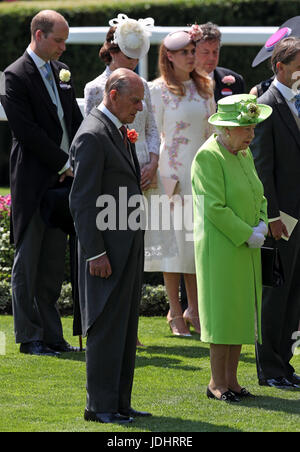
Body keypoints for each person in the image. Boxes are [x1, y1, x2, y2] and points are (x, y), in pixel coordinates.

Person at [69, 68, 151, 424]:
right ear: (113, 94)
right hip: (105, 251)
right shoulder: (92, 134)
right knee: (104, 327)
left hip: (126, 244)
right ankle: (99, 406)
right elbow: (82, 201)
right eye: (134, 101)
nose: (139, 109)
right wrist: (94, 252)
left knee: (125, 326)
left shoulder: (114, 131)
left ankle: (119, 402)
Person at [0, 10, 83, 356]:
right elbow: (27, 132)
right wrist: (64, 162)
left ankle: (51, 333)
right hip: (35, 179)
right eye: (58, 40)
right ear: (38, 35)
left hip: (64, 179)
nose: (63, 47)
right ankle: (28, 335)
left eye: (65, 40)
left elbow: (74, 121)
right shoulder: (14, 75)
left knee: (52, 262)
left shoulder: (60, 73)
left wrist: (79, 158)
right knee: (28, 259)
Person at [84, 13, 160, 347]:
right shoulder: (95, 89)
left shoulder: (140, 89)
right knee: (115, 243)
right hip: (112, 175)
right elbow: (91, 137)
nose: (132, 61)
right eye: (127, 55)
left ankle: (130, 323)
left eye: (136, 56)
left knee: (135, 246)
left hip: (140, 166)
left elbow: (152, 127)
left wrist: (153, 161)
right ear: (112, 52)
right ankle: (109, 323)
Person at [191, 93, 272, 401]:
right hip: (221, 248)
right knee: (223, 315)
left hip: (246, 245)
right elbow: (214, 207)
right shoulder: (208, 156)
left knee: (239, 314)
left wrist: (262, 223)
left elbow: (258, 193)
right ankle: (216, 384)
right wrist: (246, 233)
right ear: (226, 129)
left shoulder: (243, 153)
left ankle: (233, 381)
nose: (251, 134)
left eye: (252, 128)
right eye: (245, 128)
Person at [148, 26, 215, 337]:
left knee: (195, 243)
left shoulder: (205, 87)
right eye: (185, 52)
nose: (191, 57)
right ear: (169, 57)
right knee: (172, 244)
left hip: (201, 172)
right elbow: (155, 134)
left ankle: (195, 309)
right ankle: (175, 310)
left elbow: (212, 131)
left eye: (192, 51)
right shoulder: (157, 90)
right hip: (172, 174)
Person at [250, 37, 300, 389]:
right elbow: (262, 168)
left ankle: (284, 363)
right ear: (280, 67)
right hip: (281, 218)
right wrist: (271, 216)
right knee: (274, 293)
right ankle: (269, 368)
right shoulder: (265, 107)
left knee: (294, 293)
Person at [195, 22, 246, 103]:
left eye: (215, 52)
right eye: (205, 52)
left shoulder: (236, 81)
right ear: (193, 52)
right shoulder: (181, 81)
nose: (212, 58)